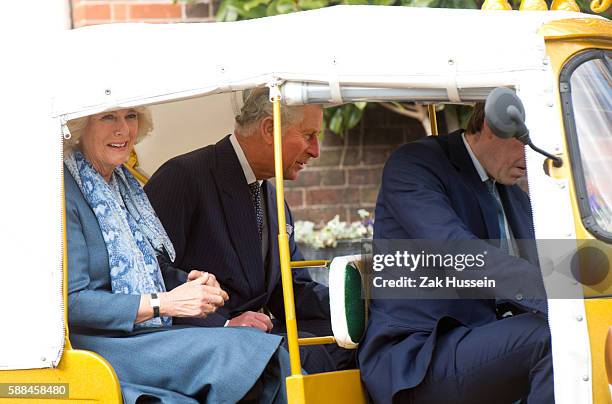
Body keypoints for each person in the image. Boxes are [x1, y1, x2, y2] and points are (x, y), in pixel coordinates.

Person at [64, 106, 291, 404]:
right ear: (80, 126)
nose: (123, 129)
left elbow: (150, 269)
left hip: (145, 334)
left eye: (130, 116)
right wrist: (165, 303)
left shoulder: (123, 185)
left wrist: (191, 284)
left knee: (268, 354)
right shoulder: (61, 191)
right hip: (100, 344)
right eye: (108, 117)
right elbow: (73, 303)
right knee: (246, 354)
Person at [144, 88, 352, 372]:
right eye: (308, 135)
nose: (316, 150)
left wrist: (362, 302)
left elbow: (291, 290)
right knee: (309, 359)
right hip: (201, 342)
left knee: (358, 342)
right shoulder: (183, 176)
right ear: (269, 129)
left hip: (255, 337)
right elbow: (149, 272)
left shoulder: (271, 195)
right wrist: (226, 324)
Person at [358, 103, 554, 403]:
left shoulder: (511, 191)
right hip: (419, 357)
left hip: (482, 343)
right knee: (553, 337)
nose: (533, 158)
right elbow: (454, 248)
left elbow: (548, 262)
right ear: (493, 124)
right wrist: (555, 300)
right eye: (528, 142)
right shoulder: (414, 165)